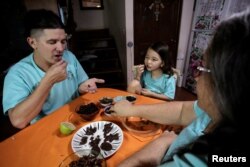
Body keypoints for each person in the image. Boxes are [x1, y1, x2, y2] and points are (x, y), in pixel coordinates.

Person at [111, 8, 250, 166]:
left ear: (227, 85)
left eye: (202, 67)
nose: (195, 76)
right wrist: (132, 110)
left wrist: (162, 142)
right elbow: (183, 110)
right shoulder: (221, 108)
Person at [2, 9, 105, 129]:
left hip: (77, 120)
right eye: (52, 42)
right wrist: (48, 81)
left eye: (63, 41)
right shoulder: (17, 74)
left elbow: (81, 84)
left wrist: (83, 87)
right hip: (48, 129)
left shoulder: (69, 57)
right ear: (32, 43)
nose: (61, 48)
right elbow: (18, 121)